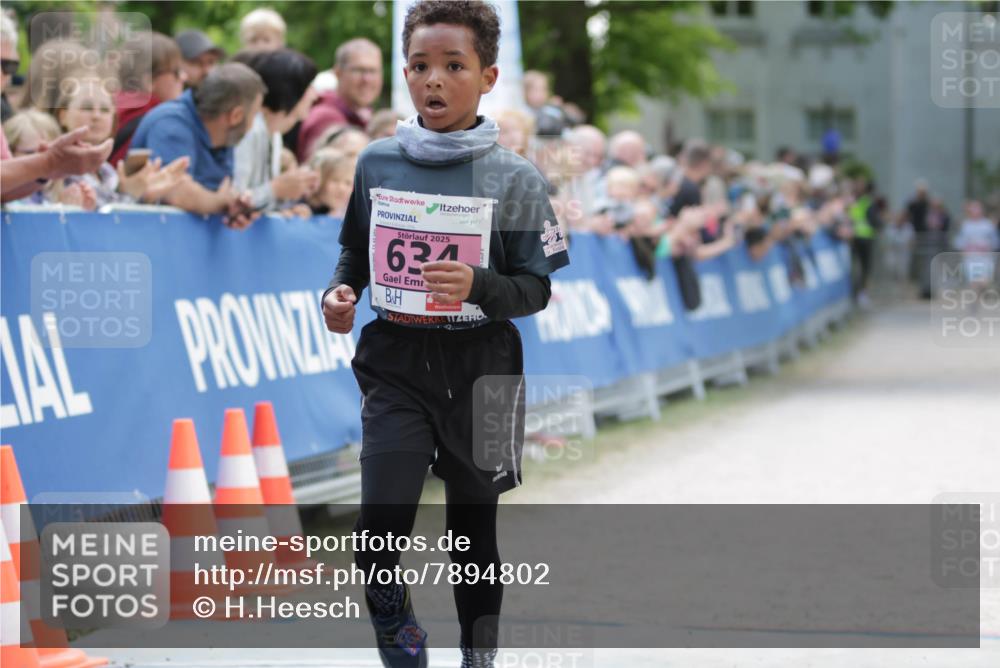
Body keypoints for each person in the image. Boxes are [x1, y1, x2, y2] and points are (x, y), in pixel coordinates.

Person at [321, 2, 569, 666]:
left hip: (484, 367)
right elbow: (354, 253)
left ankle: (477, 656)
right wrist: (340, 293)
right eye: (421, 66)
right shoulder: (377, 161)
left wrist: (479, 285)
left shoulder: (515, 177)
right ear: (405, 72)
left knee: (472, 535)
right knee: (377, 534)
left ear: (487, 76)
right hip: (397, 361)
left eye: (453, 66)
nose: (434, 80)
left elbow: (538, 289)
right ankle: (402, 642)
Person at [130, 63, 264, 227]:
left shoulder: (225, 137)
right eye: (255, 115)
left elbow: (224, 191)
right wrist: (220, 204)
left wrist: (237, 207)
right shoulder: (171, 123)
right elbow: (176, 191)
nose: (254, 125)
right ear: (236, 116)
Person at [52, 82, 189, 208]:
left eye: (105, 110)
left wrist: (146, 195)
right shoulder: (58, 170)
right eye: (86, 108)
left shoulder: (108, 172)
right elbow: (106, 223)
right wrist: (130, 194)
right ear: (63, 115)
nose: (96, 116)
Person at [232, 48, 319, 211]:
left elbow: (258, 202)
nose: (314, 95)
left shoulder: (274, 133)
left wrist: (289, 207)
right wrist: (276, 189)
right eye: (309, 87)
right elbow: (235, 201)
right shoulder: (249, 131)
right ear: (290, 90)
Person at [297, 37, 382, 160]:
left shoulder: (364, 115)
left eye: (373, 71)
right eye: (359, 70)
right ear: (338, 73)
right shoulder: (325, 118)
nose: (367, 80)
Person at [110, 32, 187, 166]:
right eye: (176, 72)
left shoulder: (112, 108)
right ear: (149, 80)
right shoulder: (159, 119)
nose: (184, 77)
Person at [306, 147, 354, 217]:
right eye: (335, 180)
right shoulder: (299, 210)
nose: (342, 188)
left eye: (348, 183)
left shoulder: (348, 217)